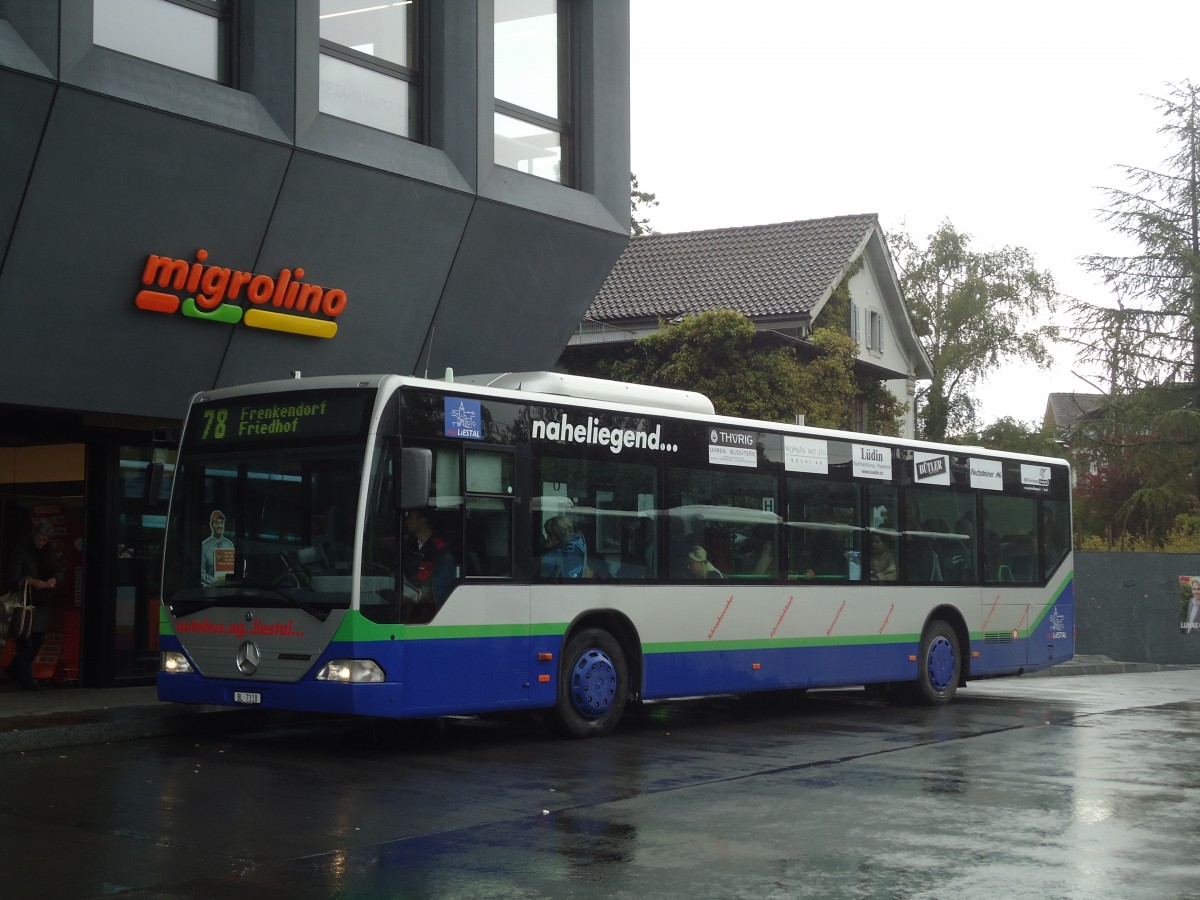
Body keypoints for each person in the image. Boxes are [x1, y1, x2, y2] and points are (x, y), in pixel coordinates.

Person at [6, 521, 64, 691]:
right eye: (39, 539)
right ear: (33, 536)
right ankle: (26, 680)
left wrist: (54, 579)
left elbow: (58, 571)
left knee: (38, 640)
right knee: (25, 641)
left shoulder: (48, 552)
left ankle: (15, 670)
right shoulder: (22, 551)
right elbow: (12, 577)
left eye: (44, 540)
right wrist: (30, 582)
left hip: (43, 602)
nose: (41, 543)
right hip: (25, 602)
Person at [402, 508, 457, 610]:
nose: (406, 521)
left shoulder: (440, 550)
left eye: (411, 518)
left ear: (422, 521)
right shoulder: (410, 545)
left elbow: (432, 590)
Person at [200, 509, 235, 586]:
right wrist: (215, 582)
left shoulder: (229, 545)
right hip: (210, 590)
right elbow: (201, 573)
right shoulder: (204, 546)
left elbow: (233, 570)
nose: (219, 526)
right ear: (211, 525)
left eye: (221, 523)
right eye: (216, 523)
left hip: (229, 590)